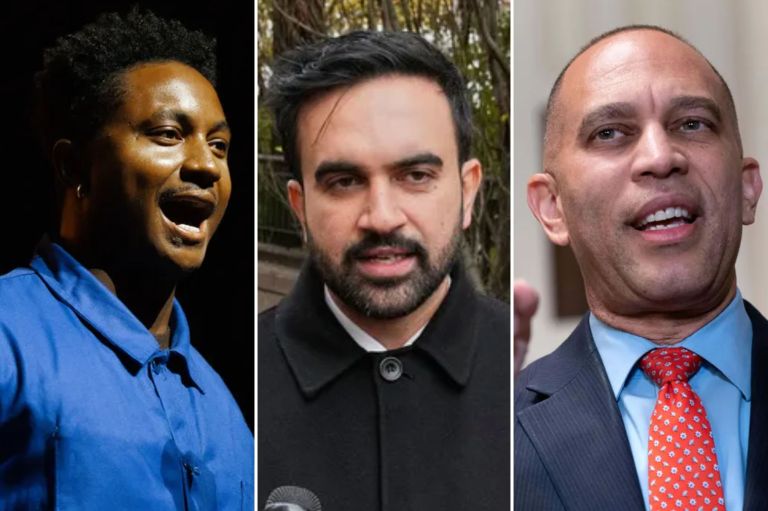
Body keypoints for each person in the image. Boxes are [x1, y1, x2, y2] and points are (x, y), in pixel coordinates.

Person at [0, 10, 253, 509]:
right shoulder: (8, 333)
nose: (206, 164)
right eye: (166, 134)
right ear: (75, 165)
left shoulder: (225, 407)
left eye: (220, 145)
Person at [517, 24, 768, 510]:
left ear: (746, 189)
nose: (660, 157)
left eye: (692, 123)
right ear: (553, 207)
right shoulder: (504, 430)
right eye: (609, 133)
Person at [259, 31, 510, 510]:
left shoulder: (530, 377)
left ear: (467, 193)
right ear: (300, 207)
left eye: (415, 176)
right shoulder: (235, 387)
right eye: (344, 181)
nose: (382, 216)